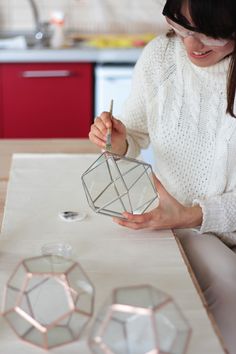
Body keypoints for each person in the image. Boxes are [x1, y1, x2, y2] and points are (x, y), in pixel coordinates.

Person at [89, 0, 236, 352]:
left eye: (211, 36)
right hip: (175, 232)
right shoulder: (161, 57)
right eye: (184, 29)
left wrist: (194, 214)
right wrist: (119, 140)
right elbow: (135, 134)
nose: (192, 47)